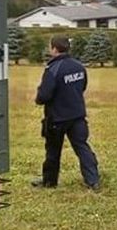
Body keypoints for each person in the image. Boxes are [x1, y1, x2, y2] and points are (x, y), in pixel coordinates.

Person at [32, 35, 101, 191]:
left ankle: (49, 182)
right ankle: (93, 180)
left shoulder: (53, 69)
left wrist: (38, 99)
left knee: (53, 151)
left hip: (57, 118)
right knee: (82, 147)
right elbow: (82, 86)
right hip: (77, 115)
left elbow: (44, 96)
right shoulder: (79, 66)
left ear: (54, 49)